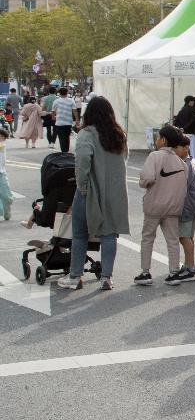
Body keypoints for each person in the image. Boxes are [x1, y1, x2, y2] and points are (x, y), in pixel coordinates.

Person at [57, 97, 129, 290]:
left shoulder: (86, 134)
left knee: (79, 234)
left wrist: (82, 188)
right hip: (115, 192)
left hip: (90, 190)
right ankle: (106, 277)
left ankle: (75, 276)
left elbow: (81, 164)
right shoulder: (119, 134)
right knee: (109, 234)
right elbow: (124, 161)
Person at [135, 126, 190, 287]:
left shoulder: (155, 156)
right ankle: (174, 272)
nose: (156, 140)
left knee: (147, 238)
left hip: (154, 206)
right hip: (173, 208)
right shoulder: (181, 163)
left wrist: (142, 181)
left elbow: (146, 179)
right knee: (172, 240)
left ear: (163, 140)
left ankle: (145, 272)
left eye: (158, 137)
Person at [176, 136, 195, 283]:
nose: (174, 151)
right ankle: (188, 264)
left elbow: (181, 187)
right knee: (189, 237)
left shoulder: (184, 165)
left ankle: (191, 269)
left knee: (184, 237)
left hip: (186, 206)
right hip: (194, 204)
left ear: (186, 147)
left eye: (176, 148)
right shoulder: (191, 160)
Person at [52, 86, 76, 153]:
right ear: (67, 93)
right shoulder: (71, 100)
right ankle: (66, 150)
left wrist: (53, 117)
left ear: (59, 93)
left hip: (59, 122)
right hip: (68, 122)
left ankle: (63, 151)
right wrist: (77, 120)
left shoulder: (56, 101)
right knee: (67, 137)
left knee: (61, 137)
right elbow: (75, 110)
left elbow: (53, 111)